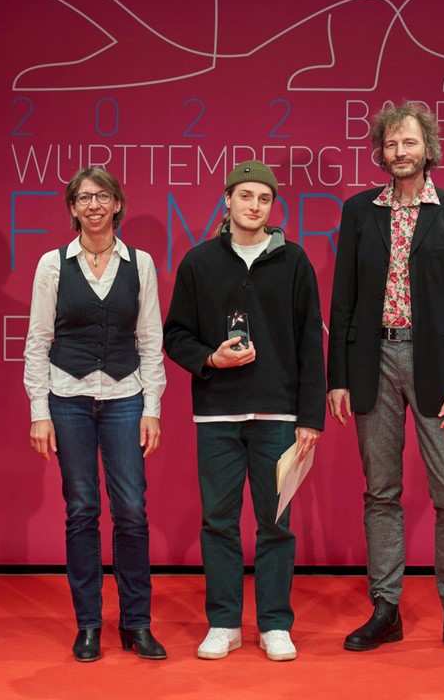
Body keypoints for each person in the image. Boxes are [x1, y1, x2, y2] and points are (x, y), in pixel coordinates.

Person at [327, 101, 444, 657]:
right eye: (392, 143)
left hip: (438, 370)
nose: (400, 152)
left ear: (428, 149)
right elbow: (343, 300)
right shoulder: (359, 211)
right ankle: (385, 607)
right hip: (372, 362)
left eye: (410, 142)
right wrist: (338, 376)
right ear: (381, 151)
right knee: (381, 491)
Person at [163, 160, 325, 662]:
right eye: (246, 196)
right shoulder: (198, 263)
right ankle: (224, 623)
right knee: (218, 521)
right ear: (227, 200)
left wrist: (310, 418)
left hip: (279, 416)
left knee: (276, 522)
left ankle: (275, 623)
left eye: (264, 198)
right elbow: (176, 335)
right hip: (217, 414)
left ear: (272, 206)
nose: (255, 206)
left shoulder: (295, 262)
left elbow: (310, 342)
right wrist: (211, 359)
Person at [23, 167, 167, 662]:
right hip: (68, 398)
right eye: (84, 198)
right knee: (82, 510)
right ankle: (88, 625)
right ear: (72, 209)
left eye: (102, 196)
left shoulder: (140, 263)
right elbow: (38, 341)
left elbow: (150, 339)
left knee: (131, 511)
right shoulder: (52, 264)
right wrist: (39, 412)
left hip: (126, 396)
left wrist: (152, 407)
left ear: (117, 204)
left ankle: (136, 623)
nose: (94, 206)